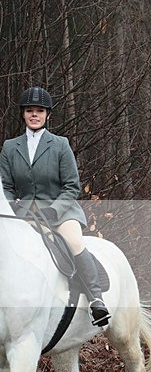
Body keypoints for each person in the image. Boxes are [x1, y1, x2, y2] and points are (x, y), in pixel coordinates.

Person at [0, 86, 111, 326]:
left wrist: (54, 210)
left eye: (39, 111)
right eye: (30, 111)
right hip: (26, 213)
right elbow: (6, 185)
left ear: (47, 115)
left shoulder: (60, 144)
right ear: (23, 114)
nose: (34, 115)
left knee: (73, 242)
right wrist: (13, 208)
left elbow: (72, 186)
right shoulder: (10, 147)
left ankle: (96, 301)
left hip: (61, 213)